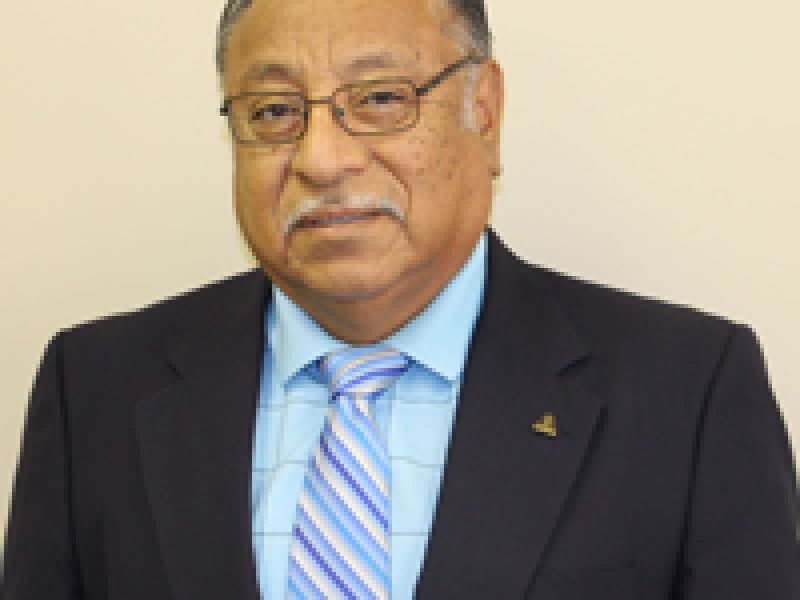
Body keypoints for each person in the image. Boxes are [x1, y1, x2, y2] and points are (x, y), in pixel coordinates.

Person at [2, 0, 797, 598]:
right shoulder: (95, 387)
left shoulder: (689, 392)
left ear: (484, 112)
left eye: (380, 98)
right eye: (274, 111)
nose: (321, 159)